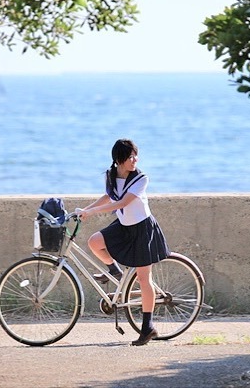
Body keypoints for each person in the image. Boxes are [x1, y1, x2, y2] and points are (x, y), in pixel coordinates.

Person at [76, 138, 170, 346]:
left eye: (135, 155)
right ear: (119, 160)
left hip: (142, 229)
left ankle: (148, 328)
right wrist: (86, 210)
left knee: (145, 279)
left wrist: (92, 212)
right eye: (130, 156)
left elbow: (123, 202)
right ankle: (115, 272)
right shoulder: (111, 175)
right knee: (94, 242)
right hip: (124, 226)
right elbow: (109, 197)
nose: (134, 159)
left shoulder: (141, 178)